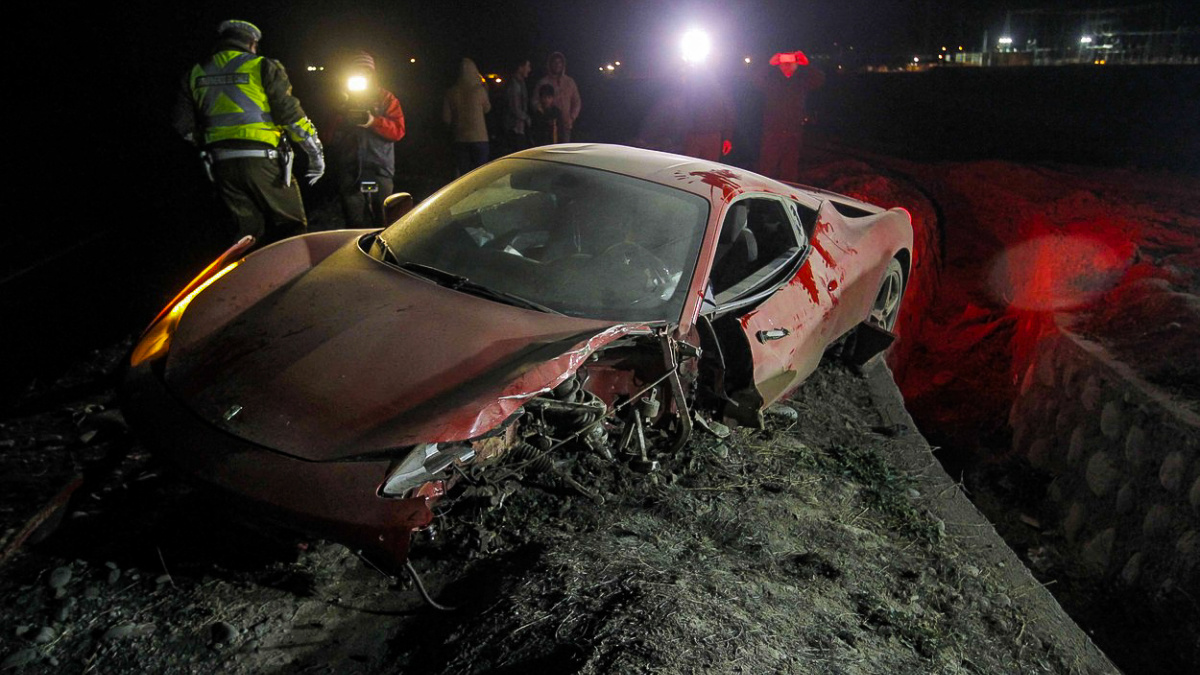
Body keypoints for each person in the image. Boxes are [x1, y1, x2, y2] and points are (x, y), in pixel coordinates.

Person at [172, 19, 324, 248]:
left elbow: (181, 125)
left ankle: (242, 279)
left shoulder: (194, 72)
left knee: (246, 234)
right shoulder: (263, 66)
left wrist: (210, 143)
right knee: (291, 226)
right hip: (264, 163)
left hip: (221, 166)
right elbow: (290, 116)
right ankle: (295, 281)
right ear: (252, 43)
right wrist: (315, 153)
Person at [327, 51, 406, 228]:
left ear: (373, 73)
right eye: (357, 72)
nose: (362, 75)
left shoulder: (386, 98)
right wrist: (339, 111)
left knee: (384, 219)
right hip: (350, 168)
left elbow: (399, 131)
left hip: (380, 168)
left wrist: (373, 121)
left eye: (366, 72)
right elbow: (329, 137)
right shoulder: (343, 99)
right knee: (354, 221)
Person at [758, 51, 824, 182]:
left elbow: (819, 79)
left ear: (796, 65)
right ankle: (762, 195)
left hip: (794, 132)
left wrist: (806, 63)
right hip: (772, 132)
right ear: (779, 65)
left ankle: (787, 196)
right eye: (784, 64)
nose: (787, 67)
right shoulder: (772, 81)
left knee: (790, 170)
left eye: (791, 64)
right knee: (766, 168)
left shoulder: (801, 82)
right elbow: (755, 79)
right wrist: (770, 63)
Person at [442, 58, 492, 175]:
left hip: (460, 139)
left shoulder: (451, 92)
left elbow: (446, 118)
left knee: (464, 175)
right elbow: (487, 108)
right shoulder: (479, 90)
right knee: (480, 173)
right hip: (480, 139)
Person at [534, 52, 581, 142]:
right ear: (550, 64)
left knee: (564, 151)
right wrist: (543, 114)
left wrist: (572, 117)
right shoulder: (543, 82)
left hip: (565, 124)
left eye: (560, 62)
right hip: (549, 126)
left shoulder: (570, 82)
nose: (557, 65)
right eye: (555, 62)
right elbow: (535, 101)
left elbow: (577, 101)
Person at [500, 58, 533, 154]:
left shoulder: (520, 83)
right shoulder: (515, 84)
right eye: (528, 66)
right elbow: (515, 108)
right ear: (520, 67)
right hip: (515, 128)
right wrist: (526, 118)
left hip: (518, 128)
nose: (529, 69)